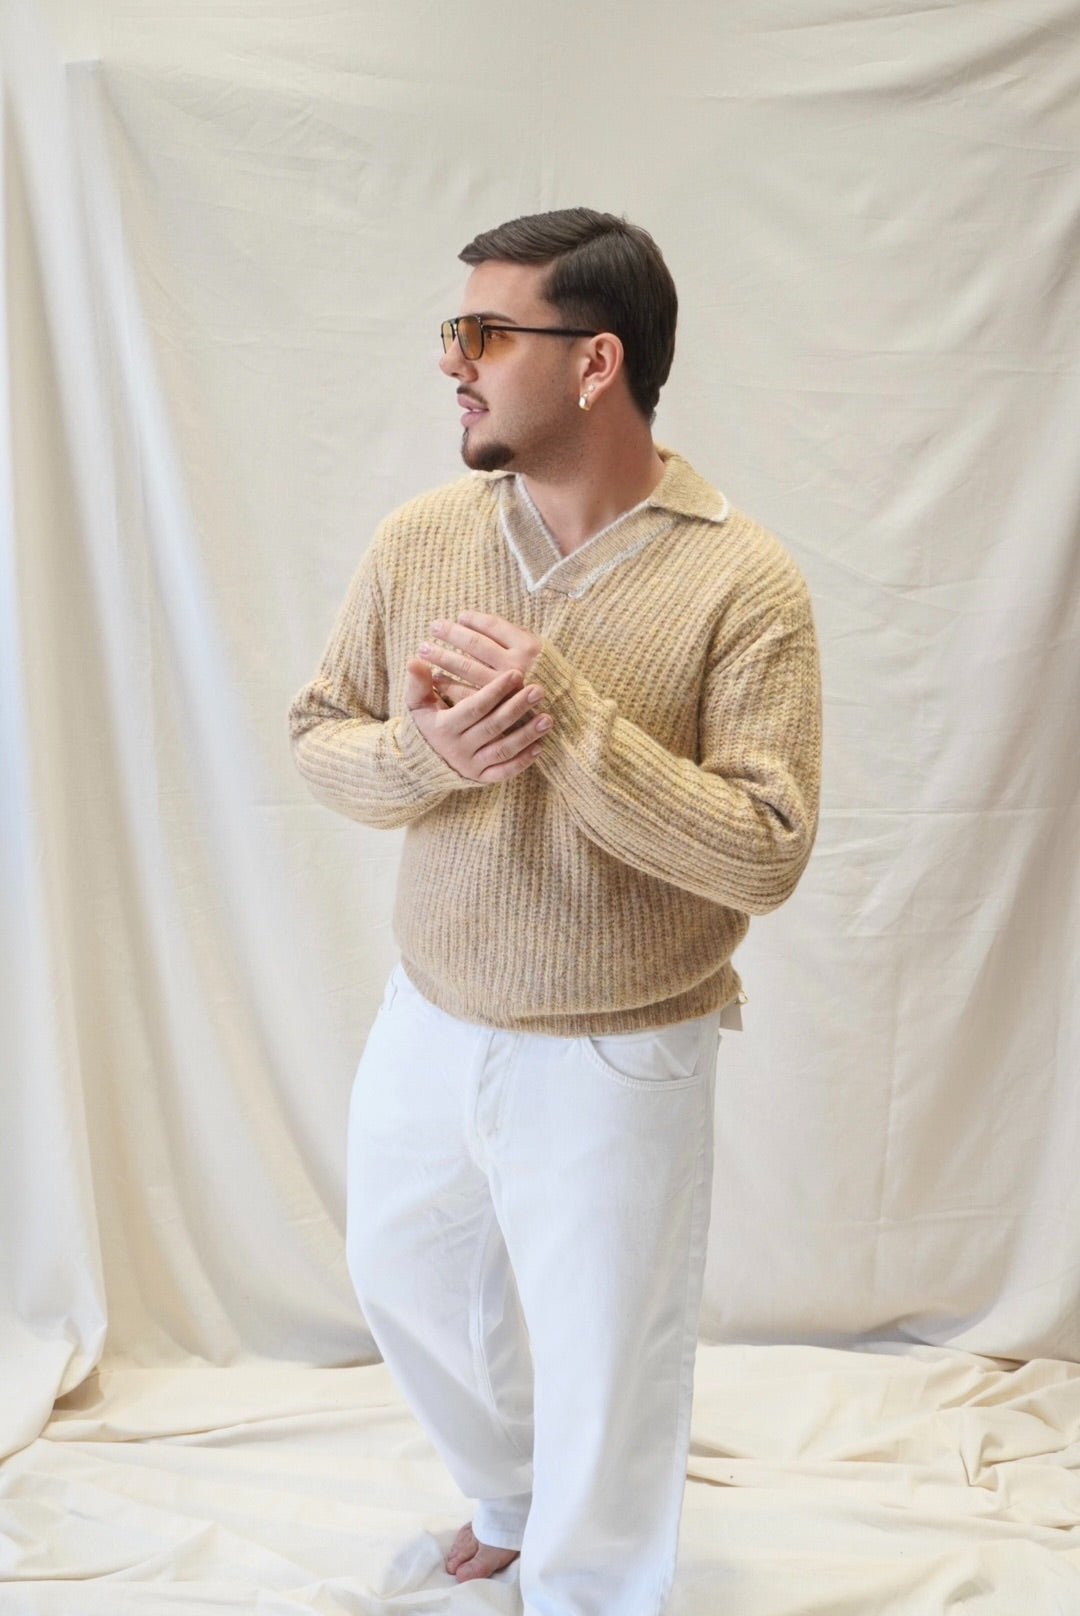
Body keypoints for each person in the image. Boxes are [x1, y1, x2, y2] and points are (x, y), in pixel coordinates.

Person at [288, 207, 821, 1616]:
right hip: (430, 1010)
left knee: (607, 1357)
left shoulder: (743, 580)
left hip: (621, 1044)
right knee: (402, 1275)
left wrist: (571, 724)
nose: (451, 364)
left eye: (483, 334)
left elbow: (767, 850)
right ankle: (516, 1501)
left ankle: (593, 1594)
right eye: (451, 332)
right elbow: (317, 733)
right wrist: (425, 756)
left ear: (597, 363)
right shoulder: (422, 537)